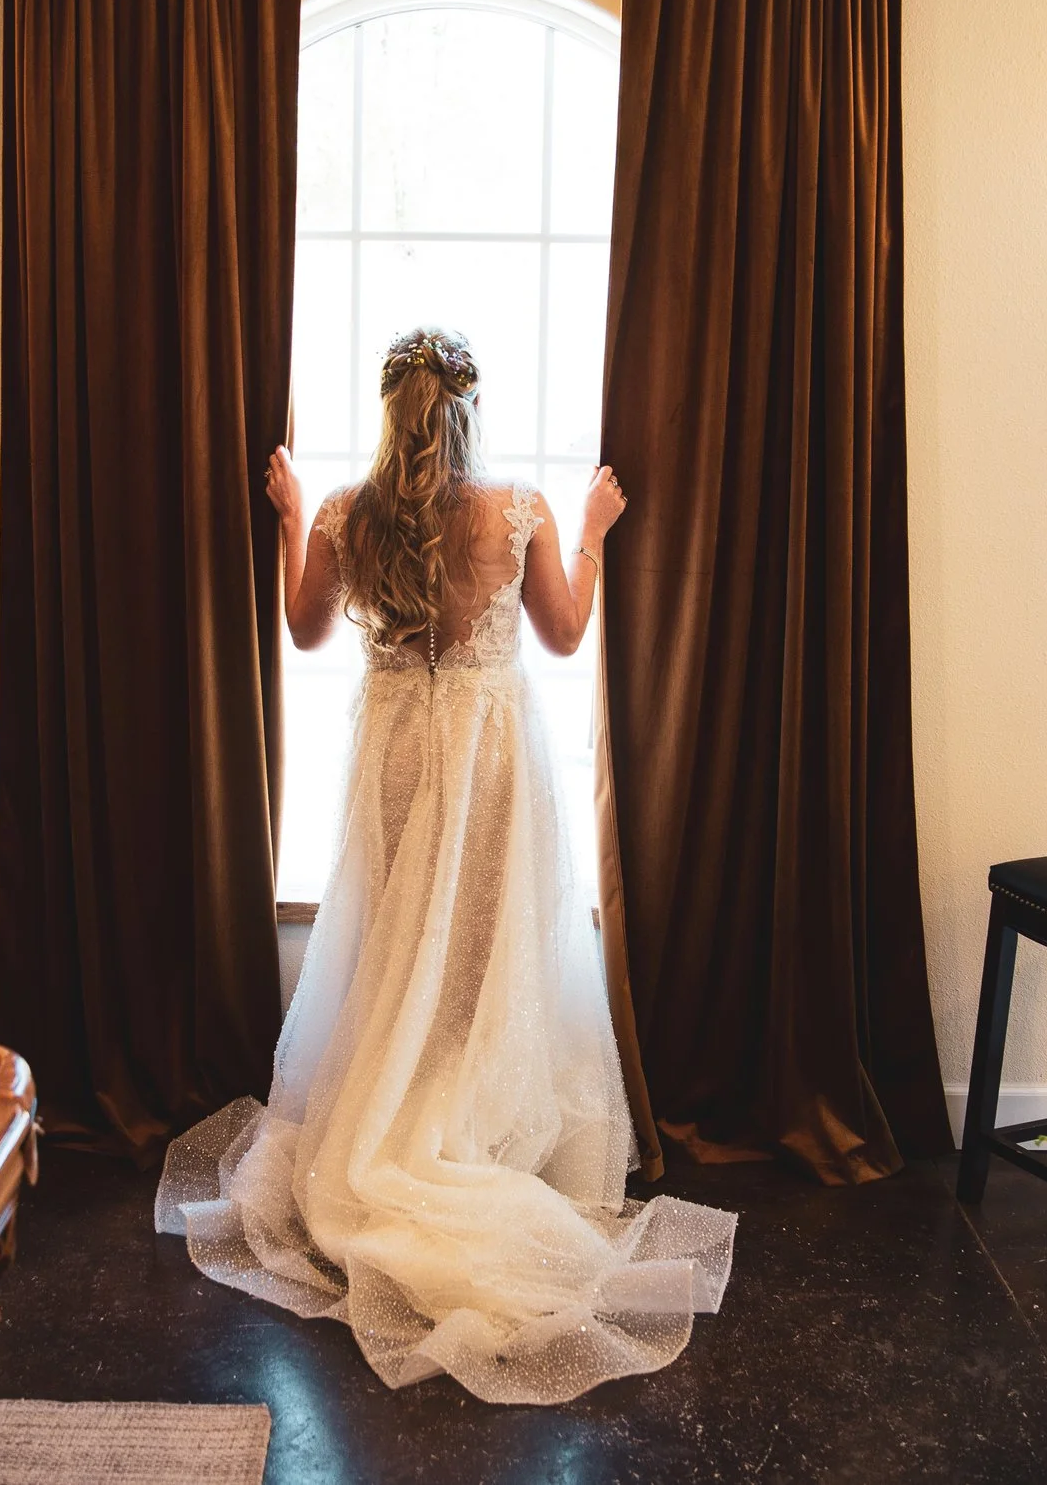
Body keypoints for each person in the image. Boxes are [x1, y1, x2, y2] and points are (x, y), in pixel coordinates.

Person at [153, 326, 736, 1405]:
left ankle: (396, 1110)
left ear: (391, 409)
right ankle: (465, 1118)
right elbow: (562, 635)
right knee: (479, 942)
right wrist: (598, 531)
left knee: (396, 935)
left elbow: (304, 625)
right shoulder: (517, 509)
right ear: (468, 408)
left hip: (398, 750)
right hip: (489, 750)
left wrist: (289, 520)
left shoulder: (345, 512)